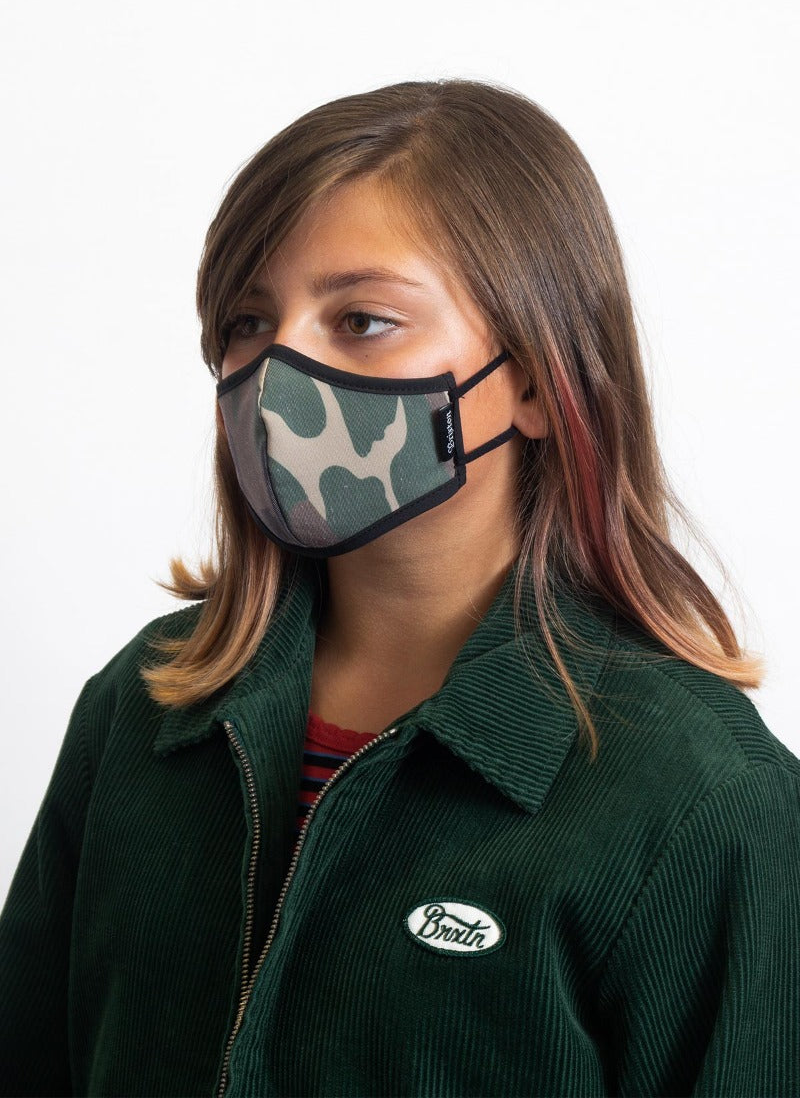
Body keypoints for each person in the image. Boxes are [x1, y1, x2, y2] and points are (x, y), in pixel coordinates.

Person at [1, 78, 798, 1098]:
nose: (278, 371)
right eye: (248, 321)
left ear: (532, 381)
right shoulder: (144, 709)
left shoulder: (701, 800)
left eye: (363, 319)